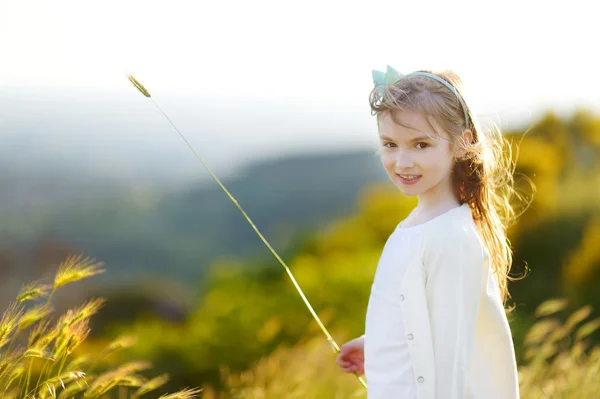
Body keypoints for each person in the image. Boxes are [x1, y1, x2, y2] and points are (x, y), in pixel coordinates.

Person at [336, 66, 527, 399]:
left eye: (421, 145)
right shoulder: (419, 223)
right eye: (390, 144)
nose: (402, 161)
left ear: (462, 143)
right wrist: (379, 345)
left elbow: (449, 368)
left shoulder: (450, 237)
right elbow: (423, 325)